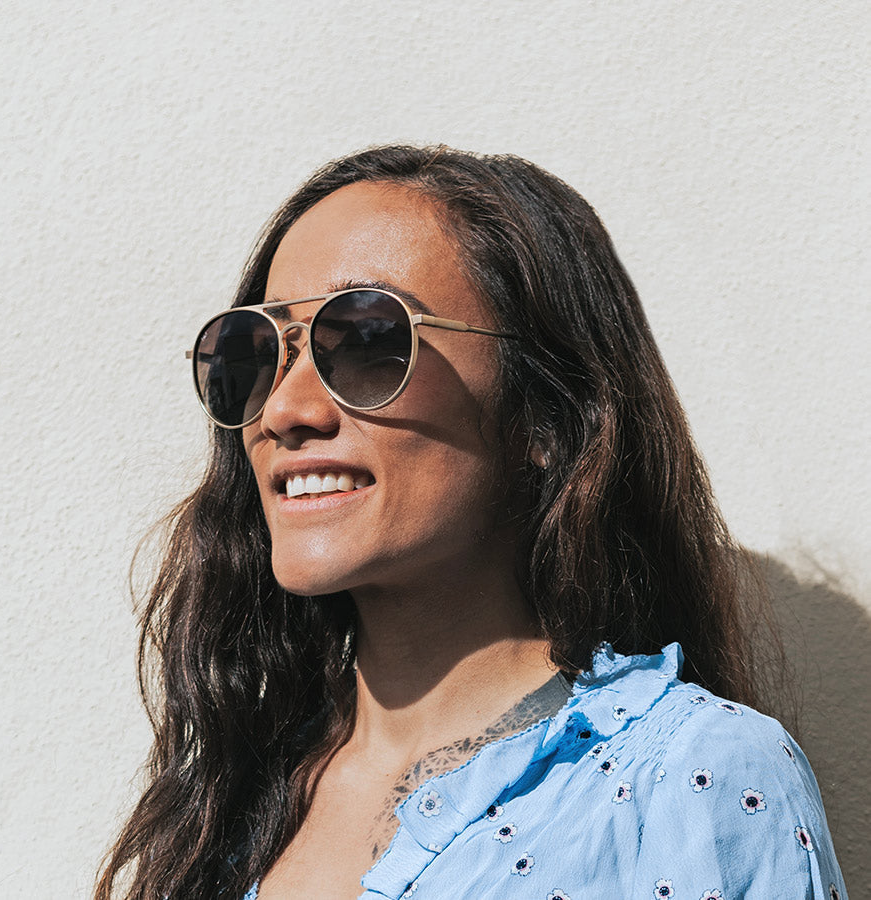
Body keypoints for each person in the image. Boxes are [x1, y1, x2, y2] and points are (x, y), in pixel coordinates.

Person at [96, 145, 848, 900]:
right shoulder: (226, 806)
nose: (287, 411)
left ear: (546, 419)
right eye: (254, 353)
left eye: (365, 341)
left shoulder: (690, 778)